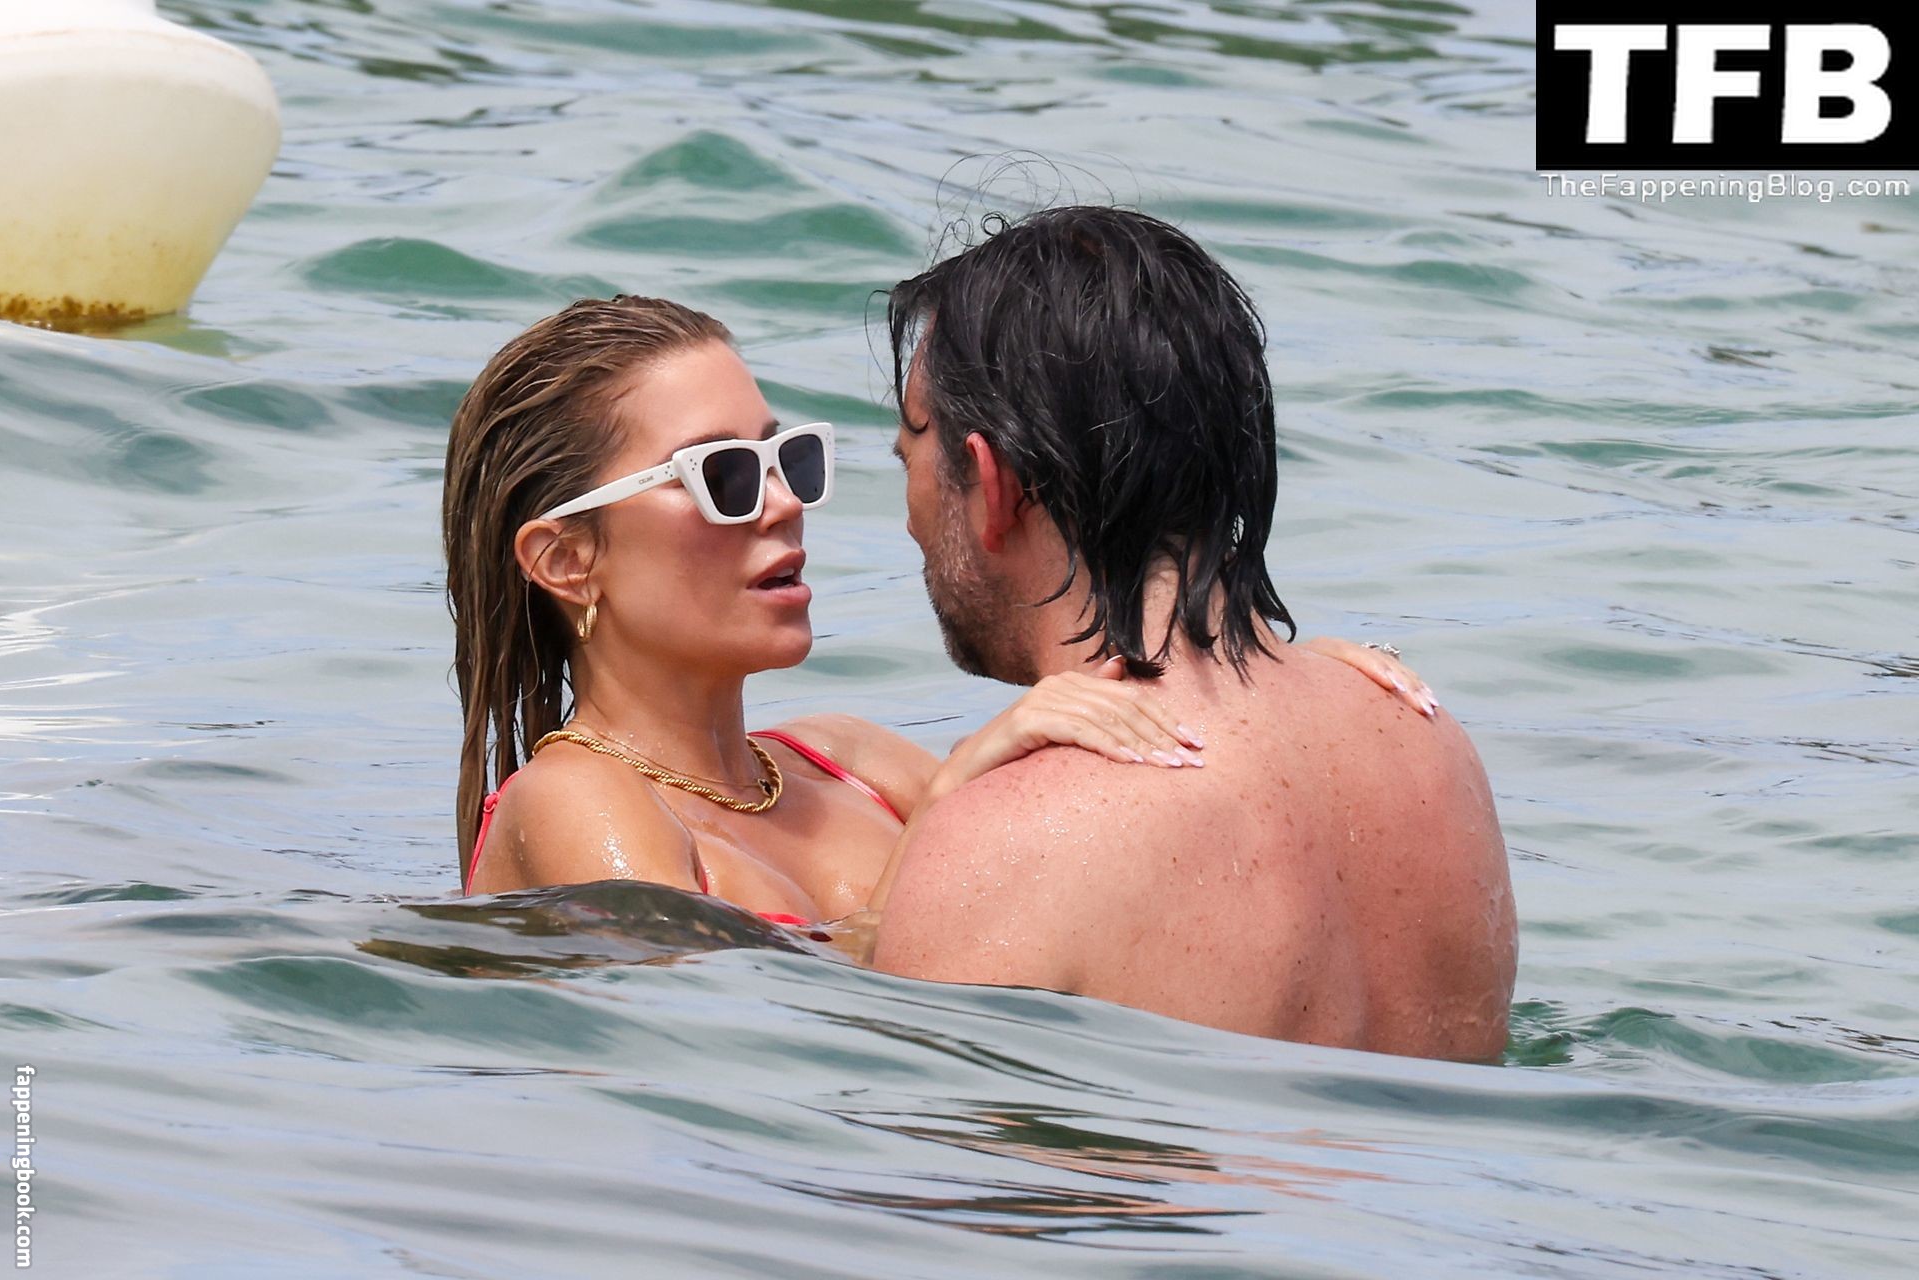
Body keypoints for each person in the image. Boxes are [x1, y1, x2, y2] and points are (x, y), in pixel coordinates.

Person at [441, 296, 1432, 930]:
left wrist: (1283, 683)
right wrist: (953, 794)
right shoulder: (572, 801)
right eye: (724, 475)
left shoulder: (849, 761)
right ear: (567, 561)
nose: (784, 502)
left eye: (791, 458)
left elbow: (1129, 815)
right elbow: (719, 1052)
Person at [868, 206, 1517, 1060]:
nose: (909, 515)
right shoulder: (1431, 747)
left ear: (995, 485)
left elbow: (907, 1136)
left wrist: (933, 829)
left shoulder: (1006, 842)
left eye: (909, 455)